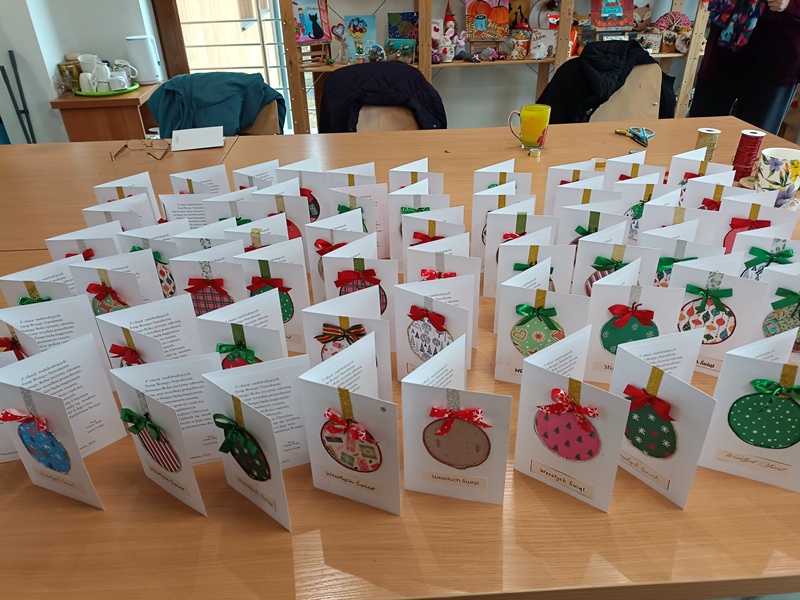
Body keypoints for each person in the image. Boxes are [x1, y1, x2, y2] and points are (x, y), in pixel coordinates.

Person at [688, 0, 800, 135]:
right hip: (723, 50)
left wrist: (791, 4)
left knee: (753, 139)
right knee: (700, 133)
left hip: (776, 60)